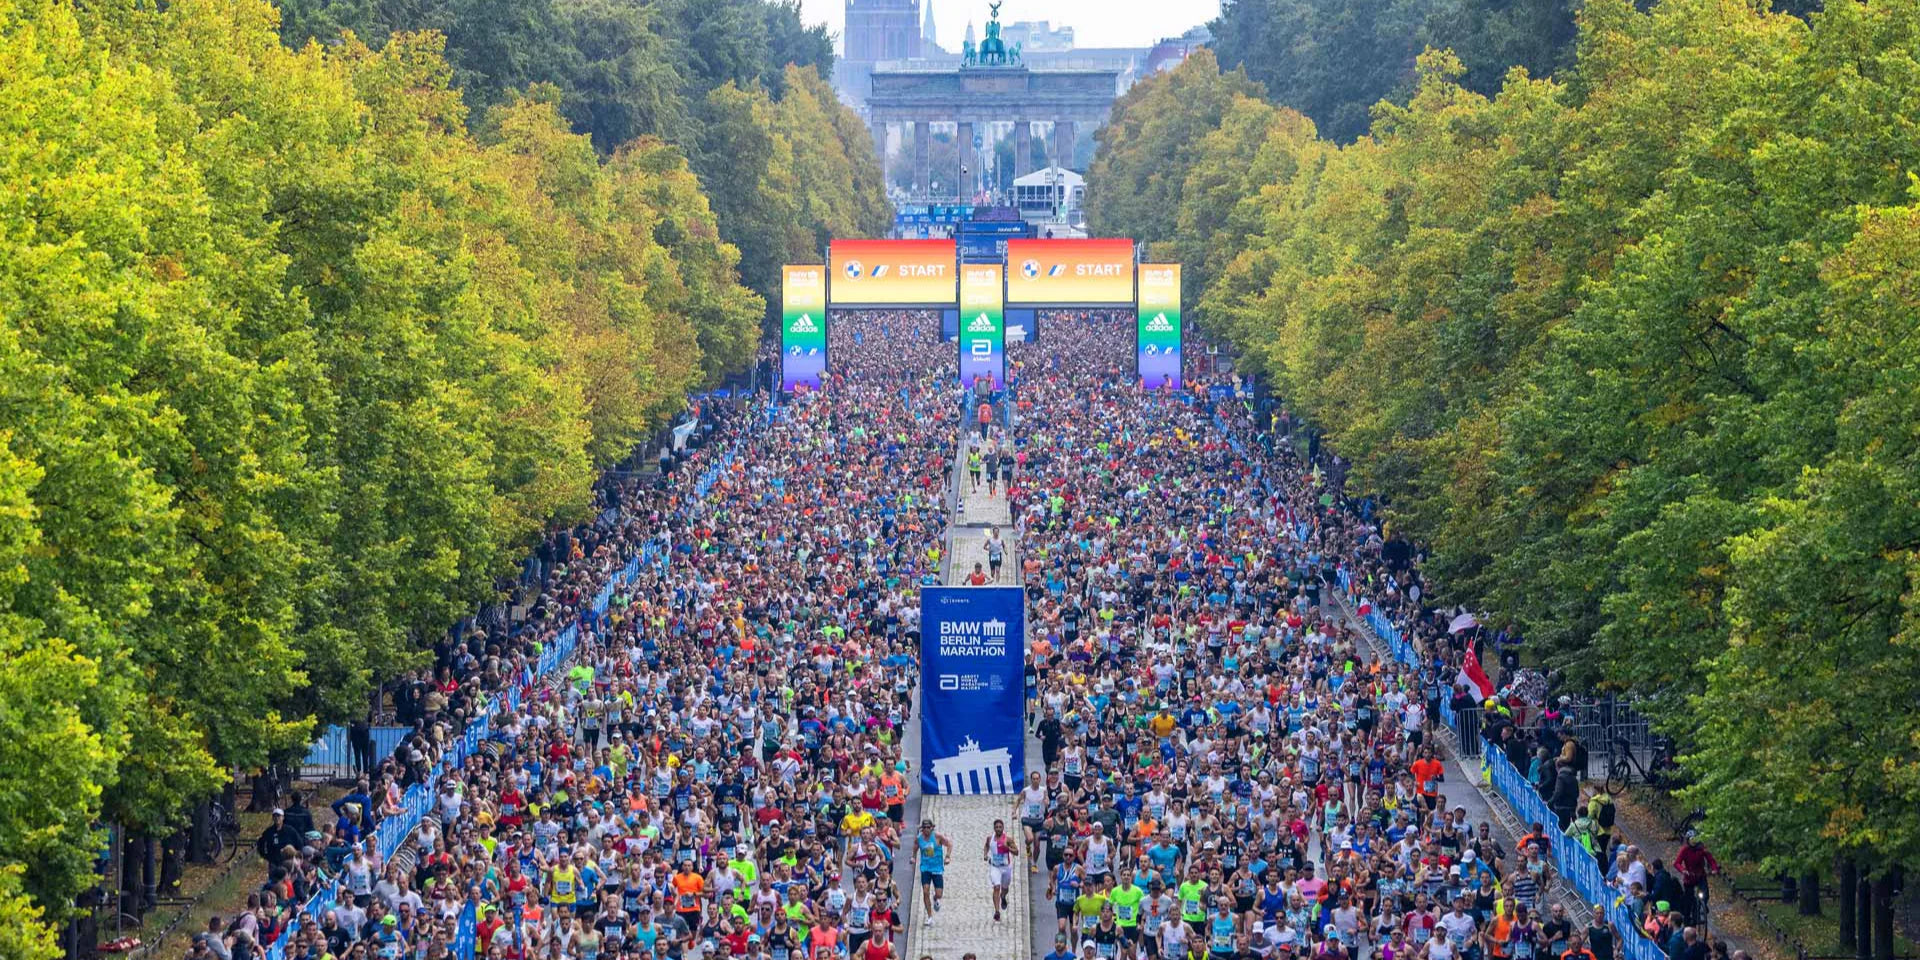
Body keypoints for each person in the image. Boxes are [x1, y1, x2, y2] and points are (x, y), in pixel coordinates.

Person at [915, 819, 953, 924]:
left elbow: (949, 844)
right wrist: (913, 857)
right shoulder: (919, 838)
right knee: (925, 891)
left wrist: (947, 857)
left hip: (937, 868)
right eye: (924, 828)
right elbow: (915, 848)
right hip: (925, 868)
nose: (926, 830)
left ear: (932, 828)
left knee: (939, 893)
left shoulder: (937, 836)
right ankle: (930, 917)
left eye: (928, 827)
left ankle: (936, 899)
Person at [984, 818, 1018, 922]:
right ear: (994, 828)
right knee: (996, 887)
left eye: (1000, 827)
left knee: (1005, 888)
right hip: (995, 867)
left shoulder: (1008, 839)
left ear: (1003, 828)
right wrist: (985, 854)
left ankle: (1003, 897)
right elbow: (986, 846)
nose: (998, 829)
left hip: (1005, 867)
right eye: (996, 827)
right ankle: (997, 911)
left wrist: (1008, 848)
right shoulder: (990, 838)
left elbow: (1016, 852)